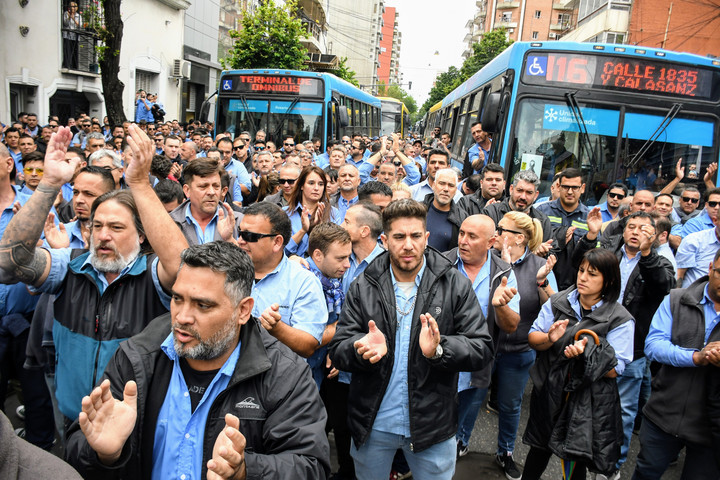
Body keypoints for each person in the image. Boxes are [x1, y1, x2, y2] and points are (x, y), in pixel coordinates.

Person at [64, 241, 330, 479]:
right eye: (177, 299)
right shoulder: (137, 357)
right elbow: (79, 451)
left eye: (203, 305)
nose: (182, 317)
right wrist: (106, 455)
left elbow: (310, 465)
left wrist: (246, 470)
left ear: (243, 310)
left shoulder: (284, 373)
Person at [0, 125, 188, 421]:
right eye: (97, 226)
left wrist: (138, 183)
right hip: (73, 420)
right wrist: (49, 183)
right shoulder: (69, 267)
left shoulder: (153, 275)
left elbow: (181, 268)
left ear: (141, 235)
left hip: (133, 425)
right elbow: (9, 264)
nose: (103, 235)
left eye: (116, 227)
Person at [328, 199, 494, 480]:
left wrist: (440, 350)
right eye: (399, 237)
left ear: (426, 237)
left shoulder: (453, 283)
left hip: (432, 426)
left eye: (416, 236)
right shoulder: (364, 284)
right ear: (384, 240)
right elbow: (339, 348)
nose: (408, 245)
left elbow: (481, 348)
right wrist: (361, 350)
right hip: (374, 424)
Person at [575, 209, 675, 477]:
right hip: (594, 340)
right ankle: (582, 458)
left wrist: (647, 254)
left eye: (643, 229)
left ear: (653, 235)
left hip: (632, 350)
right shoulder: (610, 252)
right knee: (585, 405)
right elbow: (579, 268)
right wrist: (591, 235)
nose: (636, 232)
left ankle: (610, 467)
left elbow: (664, 286)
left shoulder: (660, 261)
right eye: (631, 226)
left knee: (622, 413)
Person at [523, 249, 634, 479]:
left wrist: (588, 355)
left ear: (609, 280)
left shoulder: (619, 318)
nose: (582, 277)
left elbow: (616, 370)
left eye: (592, 274)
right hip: (549, 393)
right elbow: (533, 337)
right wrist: (549, 339)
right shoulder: (558, 301)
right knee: (538, 451)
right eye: (581, 271)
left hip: (582, 403)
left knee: (573, 461)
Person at [442, 214, 521, 476]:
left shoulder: (504, 273)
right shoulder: (441, 263)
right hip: (440, 361)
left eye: (472, 236)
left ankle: (453, 455)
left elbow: (510, 326)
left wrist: (501, 307)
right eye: (462, 233)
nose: (463, 241)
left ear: (491, 242)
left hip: (477, 368)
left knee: (459, 425)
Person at [633, 249, 720, 480]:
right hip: (663, 414)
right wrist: (695, 358)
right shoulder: (677, 299)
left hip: (711, 427)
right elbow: (653, 345)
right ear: (711, 268)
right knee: (646, 472)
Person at [483, 211, 557, 479]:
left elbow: (554, 307)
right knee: (472, 397)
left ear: (520, 238)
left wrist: (542, 281)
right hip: (485, 348)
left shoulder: (539, 264)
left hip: (519, 352)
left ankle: (505, 452)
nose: (497, 232)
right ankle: (461, 442)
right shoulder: (488, 259)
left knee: (510, 405)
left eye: (501, 228)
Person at [237, 202, 328, 359]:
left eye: (249, 236)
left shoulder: (304, 282)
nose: (240, 241)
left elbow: (308, 345)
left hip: (278, 379)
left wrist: (276, 328)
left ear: (277, 242)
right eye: (239, 233)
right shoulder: (228, 274)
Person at [305, 223, 352, 388]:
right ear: (318, 255)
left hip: (317, 372)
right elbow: (309, 339)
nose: (347, 264)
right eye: (340, 258)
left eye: (348, 257)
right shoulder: (303, 282)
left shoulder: (332, 281)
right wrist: (346, 324)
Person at [168, 158, 240, 245]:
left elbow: (250, 258)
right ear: (187, 190)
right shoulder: (170, 223)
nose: (211, 192)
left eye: (216, 186)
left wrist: (230, 240)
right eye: (203, 186)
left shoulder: (239, 222)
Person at [482, 169, 554, 249]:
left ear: (536, 195)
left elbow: (552, 250)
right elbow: (482, 245)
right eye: (519, 191)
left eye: (529, 193)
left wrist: (541, 252)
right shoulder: (491, 212)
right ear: (511, 189)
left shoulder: (542, 221)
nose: (523, 197)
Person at [284, 165, 341, 257]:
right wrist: (303, 230)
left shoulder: (333, 213)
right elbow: (280, 251)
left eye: (321, 184)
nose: (316, 188)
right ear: (302, 186)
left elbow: (336, 249)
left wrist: (319, 229)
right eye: (311, 183)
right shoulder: (286, 213)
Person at [422, 168, 464, 251]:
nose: (446, 189)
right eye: (442, 184)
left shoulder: (462, 218)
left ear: (456, 190)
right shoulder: (416, 210)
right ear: (433, 185)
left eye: (451, 185)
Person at [62, 1, 81, 69]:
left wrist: (73, 18)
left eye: (73, 6)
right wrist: (69, 17)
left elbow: (79, 26)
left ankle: (74, 66)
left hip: (74, 36)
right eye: (71, 6)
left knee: (74, 51)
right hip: (67, 35)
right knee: (67, 50)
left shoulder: (78, 16)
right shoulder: (66, 14)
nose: (72, 8)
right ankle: (67, 65)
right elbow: (65, 24)